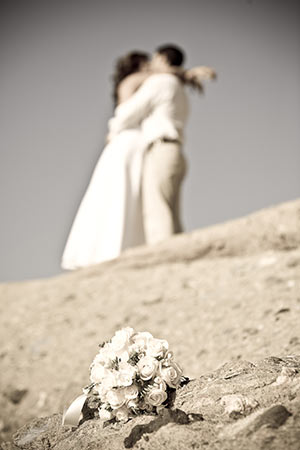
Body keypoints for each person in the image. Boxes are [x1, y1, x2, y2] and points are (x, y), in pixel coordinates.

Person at [109, 44, 216, 244]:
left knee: (157, 210)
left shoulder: (160, 82)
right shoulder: (178, 87)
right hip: (176, 151)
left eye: (154, 60)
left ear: (162, 59)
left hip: (161, 149)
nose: (151, 65)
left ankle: (163, 254)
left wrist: (113, 128)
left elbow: (127, 113)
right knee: (171, 212)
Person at [61, 52, 150, 270]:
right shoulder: (135, 80)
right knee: (122, 194)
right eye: (149, 64)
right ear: (140, 65)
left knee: (119, 195)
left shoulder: (133, 83)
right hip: (130, 142)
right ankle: (115, 250)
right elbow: (162, 78)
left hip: (127, 141)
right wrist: (186, 73)